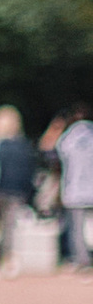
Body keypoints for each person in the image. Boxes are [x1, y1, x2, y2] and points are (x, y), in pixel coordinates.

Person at [0, 106, 40, 269]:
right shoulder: (22, 144)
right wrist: (30, 192)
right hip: (15, 191)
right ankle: (9, 259)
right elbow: (28, 170)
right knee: (10, 226)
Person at [57, 106, 93, 270]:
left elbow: (51, 152)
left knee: (77, 229)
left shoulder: (69, 136)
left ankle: (82, 261)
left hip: (75, 189)